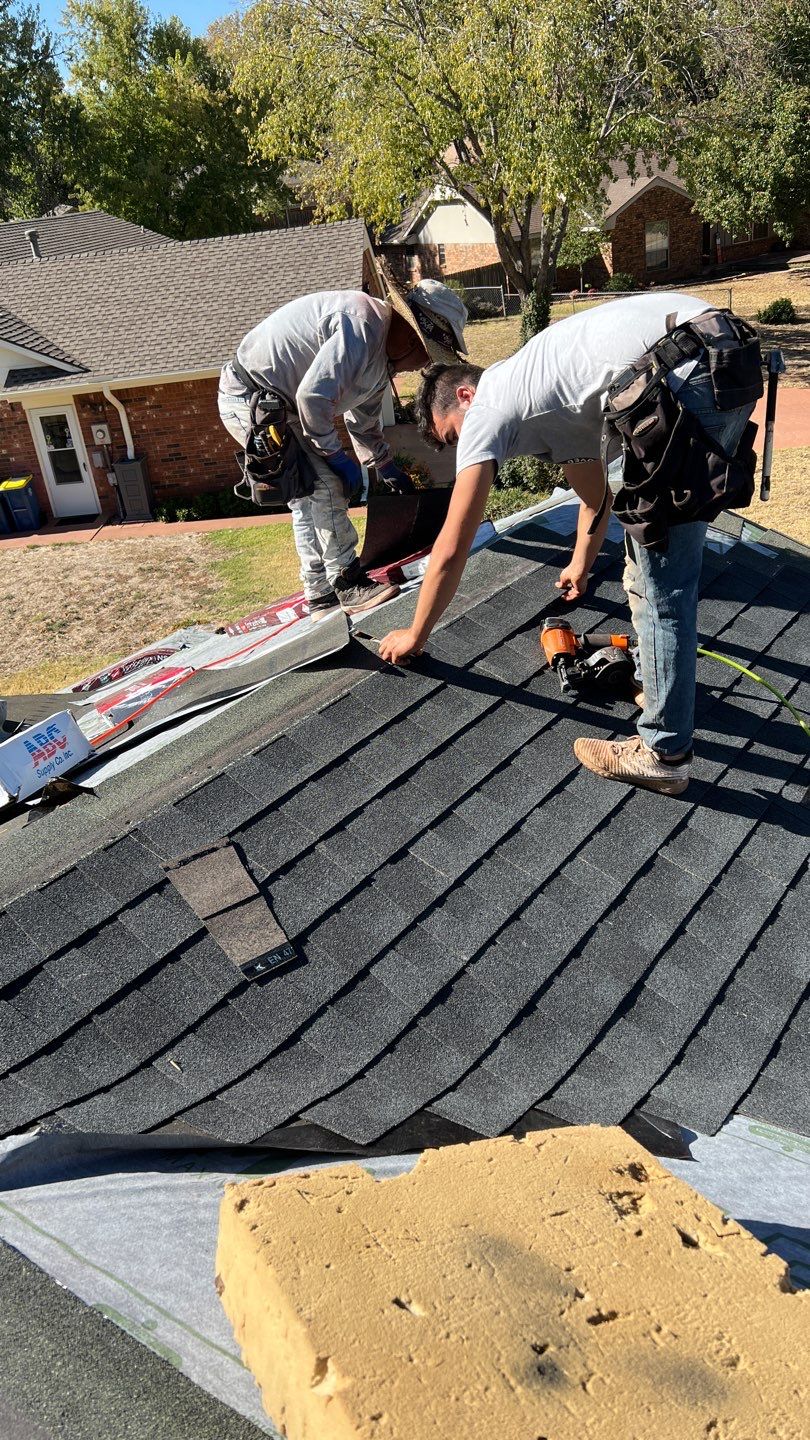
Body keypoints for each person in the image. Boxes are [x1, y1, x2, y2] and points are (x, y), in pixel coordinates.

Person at [378, 292, 760, 794]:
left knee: (662, 583)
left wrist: (415, 634)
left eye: (453, 437)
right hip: (722, 355)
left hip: (687, 371)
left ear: (465, 396)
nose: (461, 449)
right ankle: (657, 681)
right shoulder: (545, 396)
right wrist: (580, 563)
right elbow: (596, 498)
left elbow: (452, 543)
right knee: (651, 558)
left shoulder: (488, 406)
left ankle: (664, 752)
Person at [219, 279, 468, 615]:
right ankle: (346, 582)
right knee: (325, 484)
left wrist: (384, 464)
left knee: (307, 495)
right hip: (250, 399)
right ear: (412, 337)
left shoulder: (381, 359)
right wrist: (335, 456)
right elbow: (313, 398)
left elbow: (363, 421)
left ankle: (319, 592)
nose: (419, 367)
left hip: (280, 405)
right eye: (426, 354)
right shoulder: (361, 326)